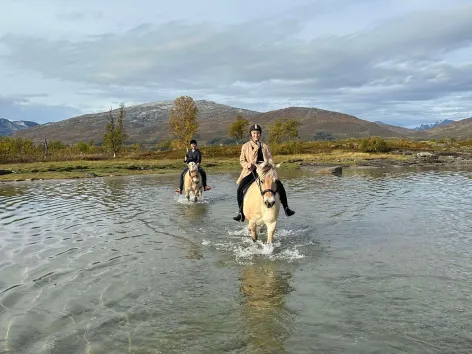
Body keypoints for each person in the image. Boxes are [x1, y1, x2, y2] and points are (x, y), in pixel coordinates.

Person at [233, 124, 295, 222]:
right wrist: (248, 164)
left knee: (280, 186)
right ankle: (241, 213)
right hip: (252, 171)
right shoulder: (245, 146)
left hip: (265, 171)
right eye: (254, 133)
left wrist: (269, 164)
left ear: (260, 134)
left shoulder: (265, 146)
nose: (256, 135)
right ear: (251, 134)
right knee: (240, 189)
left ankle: (286, 208)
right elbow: (242, 160)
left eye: (257, 133)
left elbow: (270, 158)